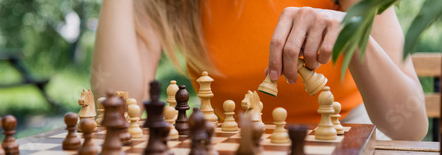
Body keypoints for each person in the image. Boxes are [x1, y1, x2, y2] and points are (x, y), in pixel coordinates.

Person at [93, 0, 428, 141]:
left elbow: (410, 126)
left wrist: (354, 34)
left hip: (346, 136)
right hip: (235, 141)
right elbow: (121, 107)